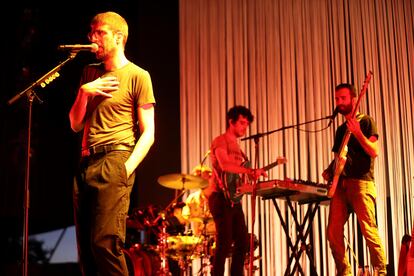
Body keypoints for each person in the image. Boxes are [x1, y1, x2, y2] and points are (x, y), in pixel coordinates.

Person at [69, 11, 155, 276]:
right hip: (86, 162)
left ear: (119, 37)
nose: (93, 38)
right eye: (91, 33)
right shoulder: (89, 73)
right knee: (86, 251)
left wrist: (125, 169)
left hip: (115, 159)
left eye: (100, 33)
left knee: (104, 244)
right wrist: (85, 93)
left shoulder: (138, 76)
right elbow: (75, 124)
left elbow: (149, 132)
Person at [322, 83, 387, 275]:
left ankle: (382, 272)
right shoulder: (340, 130)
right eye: (337, 99)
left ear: (353, 99)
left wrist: (358, 132)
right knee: (333, 233)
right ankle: (345, 273)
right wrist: (329, 169)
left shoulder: (366, 121)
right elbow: (340, 157)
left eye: (343, 98)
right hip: (341, 186)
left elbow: (374, 151)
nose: (339, 102)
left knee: (368, 230)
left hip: (361, 183)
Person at [208, 105, 267, 276]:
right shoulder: (221, 141)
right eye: (241, 123)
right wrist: (249, 171)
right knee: (224, 243)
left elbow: (237, 176)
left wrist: (253, 174)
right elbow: (226, 165)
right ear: (231, 122)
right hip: (220, 197)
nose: (244, 127)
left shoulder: (239, 149)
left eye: (246, 124)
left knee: (242, 242)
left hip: (234, 200)